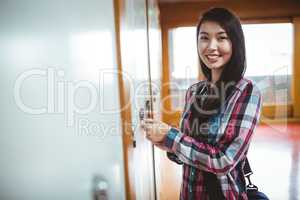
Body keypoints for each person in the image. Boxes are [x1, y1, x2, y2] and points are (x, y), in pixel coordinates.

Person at [141, 7, 262, 200]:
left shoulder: (247, 91)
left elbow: (224, 161)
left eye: (222, 38)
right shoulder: (194, 91)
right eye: (204, 38)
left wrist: (171, 136)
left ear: (235, 43)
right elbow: (190, 151)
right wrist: (165, 142)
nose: (211, 46)